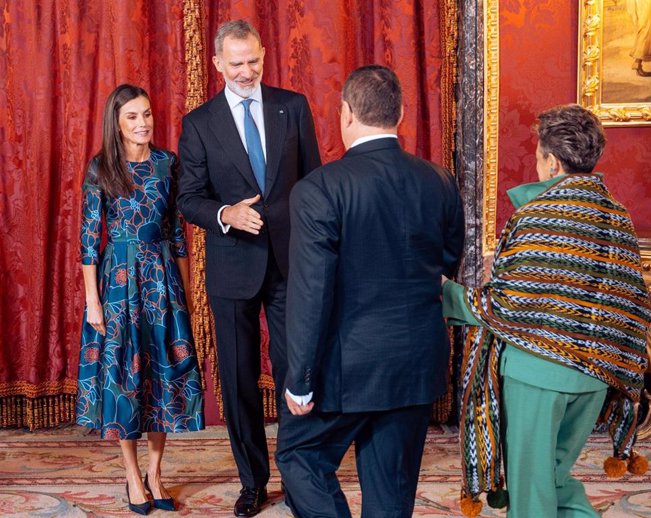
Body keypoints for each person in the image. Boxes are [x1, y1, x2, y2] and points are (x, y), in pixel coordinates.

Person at [275, 65, 465, 518]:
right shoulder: (439, 181)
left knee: (299, 457)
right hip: (415, 361)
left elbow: (310, 292)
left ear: (345, 114)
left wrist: (299, 379)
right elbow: (446, 261)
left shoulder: (319, 188)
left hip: (347, 367)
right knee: (390, 492)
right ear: (400, 112)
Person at [443, 104, 651, 518]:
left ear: (552, 161)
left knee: (531, 494)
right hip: (597, 376)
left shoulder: (536, 215)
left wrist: (447, 293)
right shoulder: (618, 215)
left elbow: (505, 306)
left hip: (538, 376)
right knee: (557, 478)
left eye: (539, 156)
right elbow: (631, 301)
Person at [177, 19, 321, 517]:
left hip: (290, 265)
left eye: (253, 61)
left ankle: (301, 478)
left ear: (264, 55)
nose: (246, 71)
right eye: (235, 63)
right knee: (238, 381)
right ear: (217, 64)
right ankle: (252, 482)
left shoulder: (293, 105)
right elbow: (188, 199)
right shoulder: (198, 122)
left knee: (296, 374)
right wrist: (225, 214)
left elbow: (315, 184)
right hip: (232, 268)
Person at [76, 84, 204, 515]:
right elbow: (90, 241)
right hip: (117, 285)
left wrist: (185, 295)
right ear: (117, 121)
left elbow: (177, 235)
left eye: (147, 114)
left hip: (162, 280)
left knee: (161, 376)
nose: (143, 123)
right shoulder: (101, 169)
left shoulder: (168, 164)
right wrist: (93, 301)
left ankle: (155, 471)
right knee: (126, 380)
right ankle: (131, 476)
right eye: (132, 116)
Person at [627, 0, 651, 76]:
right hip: (643, 6)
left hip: (647, 5)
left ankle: (637, 63)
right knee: (645, 31)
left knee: (647, 31)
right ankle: (637, 62)